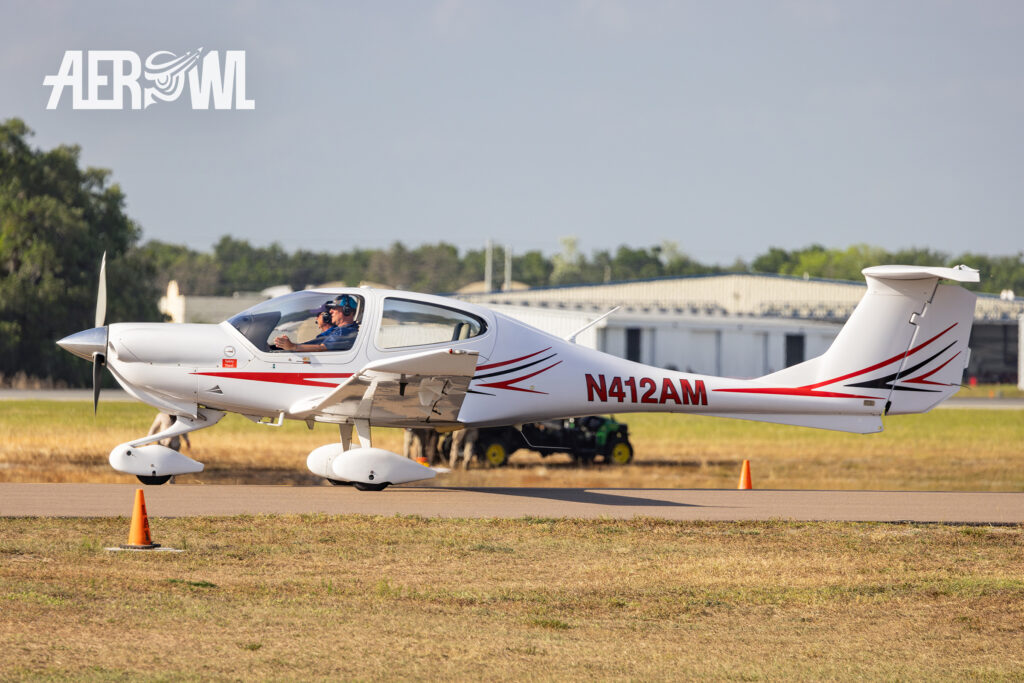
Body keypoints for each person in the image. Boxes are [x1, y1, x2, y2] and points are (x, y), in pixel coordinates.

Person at [275, 295, 360, 352]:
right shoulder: (335, 330)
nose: (330, 311)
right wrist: (287, 346)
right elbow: (315, 343)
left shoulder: (346, 332)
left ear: (347, 310)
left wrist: (293, 347)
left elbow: (321, 348)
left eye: (335, 308)